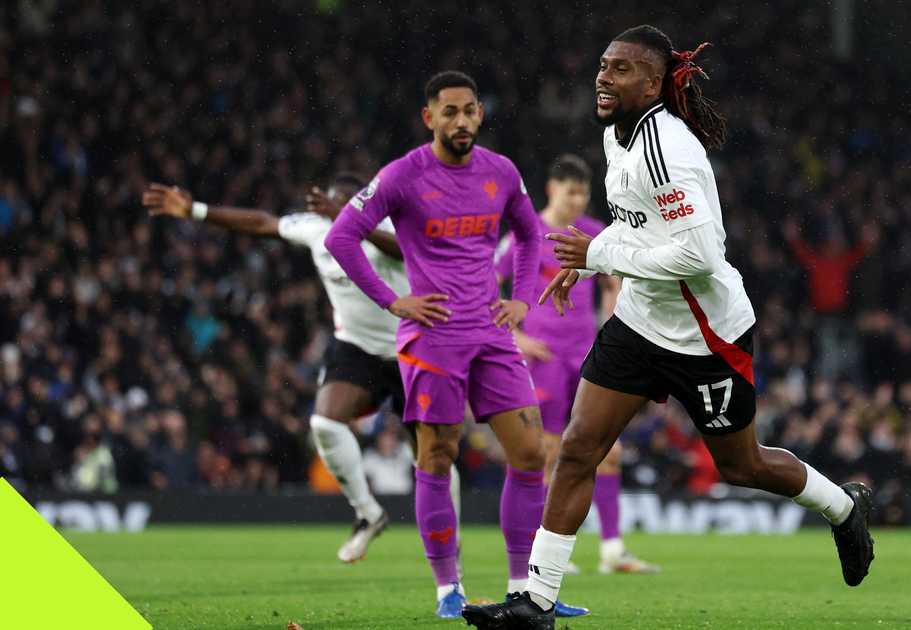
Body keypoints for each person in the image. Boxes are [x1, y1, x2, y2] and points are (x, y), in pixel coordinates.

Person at [462, 25, 874, 629]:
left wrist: (598, 257)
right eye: (603, 65)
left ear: (653, 83)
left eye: (621, 69)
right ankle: (537, 601)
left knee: (741, 465)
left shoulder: (669, 151)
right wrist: (597, 255)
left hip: (706, 335)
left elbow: (700, 255)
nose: (604, 76)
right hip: (639, 319)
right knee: (578, 448)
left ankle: (844, 508)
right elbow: (638, 228)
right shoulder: (615, 136)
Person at [324, 71, 588, 619]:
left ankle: (528, 588)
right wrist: (392, 301)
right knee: (437, 457)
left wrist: (521, 299)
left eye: (469, 110)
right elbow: (340, 236)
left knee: (530, 455)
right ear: (430, 118)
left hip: (491, 333)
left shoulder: (501, 171)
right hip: (432, 338)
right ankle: (449, 588)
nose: (462, 120)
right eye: (450, 112)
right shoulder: (401, 176)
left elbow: (529, 232)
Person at [141, 173, 462, 564]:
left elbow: (413, 251)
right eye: (329, 206)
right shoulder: (317, 229)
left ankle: (450, 547)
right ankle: (368, 514)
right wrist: (195, 210)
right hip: (356, 347)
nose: (332, 213)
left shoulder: (392, 226)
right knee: (324, 424)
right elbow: (262, 223)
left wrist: (351, 219)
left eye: (345, 205)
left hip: (412, 348)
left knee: (432, 458)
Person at [496, 154, 657, 575]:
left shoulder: (592, 232)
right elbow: (485, 283)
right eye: (572, 191)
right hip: (543, 356)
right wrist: (515, 336)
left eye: (584, 192)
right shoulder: (526, 231)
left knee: (609, 449)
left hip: (588, 354)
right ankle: (540, 551)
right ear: (552, 188)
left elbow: (616, 282)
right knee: (547, 452)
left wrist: (614, 314)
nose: (579, 200)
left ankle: (612, 551)